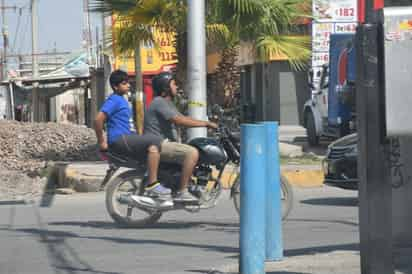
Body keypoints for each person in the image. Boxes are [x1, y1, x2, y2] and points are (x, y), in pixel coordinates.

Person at [94, 69, 171, 198]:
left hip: (127, 137)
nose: (128, 85)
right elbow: (98, 120)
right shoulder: (114, 100)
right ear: (115, 86)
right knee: (154, 141)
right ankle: (153, 184)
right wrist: (102, 141)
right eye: (124, 83)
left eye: (128, 83)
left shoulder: (122, 100)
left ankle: (156, 181)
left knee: (156, 144)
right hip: (119, 139)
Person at [144, 72, 218, 202]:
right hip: (159, 144)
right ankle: (182, 191)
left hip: (163, 143)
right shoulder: (159, 102)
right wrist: (205, 124)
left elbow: (182, 118)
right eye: (173, 84)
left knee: (194, 148)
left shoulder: (167, 103)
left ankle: (190, 184)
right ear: (166, 87)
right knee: (192, 152)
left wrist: (206, 121)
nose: (176, 87)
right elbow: (179, 120)